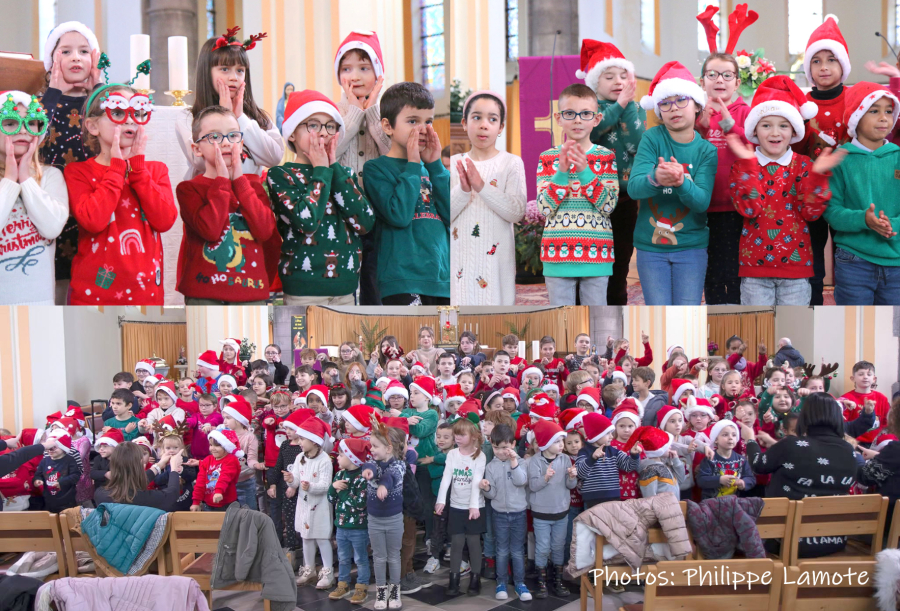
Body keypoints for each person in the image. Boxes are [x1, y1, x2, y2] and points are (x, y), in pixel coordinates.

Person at [727, 76, 842, 305]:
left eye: (783, 125)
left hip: (796, 271)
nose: (775, 133)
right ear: (755, 130)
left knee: (792, 326)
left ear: (794, 130)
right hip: (754, 271)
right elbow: (749, 209)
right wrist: (749, 166)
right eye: (766, 125)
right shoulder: (743, 165)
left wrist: (818, 175)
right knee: (758, 328)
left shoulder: (804, 165)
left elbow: (811, 212)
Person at [65, 81, 177, 305]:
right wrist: (116, 169)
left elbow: (164, 221)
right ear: (93, 126)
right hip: (93, 297)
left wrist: (138, 170)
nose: (129, 119)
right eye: (117, 112)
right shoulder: (78, 172)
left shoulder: (155, 170)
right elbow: (93, 221)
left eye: (136, 112)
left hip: (146, 295)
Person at [268, 90, 375, 305]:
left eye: (330, 126)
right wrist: (321, 170)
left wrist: (333, 167)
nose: (323, 133)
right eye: (313, 125)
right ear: (291, 134)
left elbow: (365, 223)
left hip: (346, 289)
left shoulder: (346, 174)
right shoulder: (281, 175)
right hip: (302, 290)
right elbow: (306, 221)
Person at [628, 61, 717, 305]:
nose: (673, 108)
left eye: (681, 100)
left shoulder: (706, 150)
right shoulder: (651, 138)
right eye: (665, 103)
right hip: (650, 247)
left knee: (687, 311)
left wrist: (681, 182)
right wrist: (656, 177)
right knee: (657, 311)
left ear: (697, 104)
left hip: (691, 247)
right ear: (658, 110)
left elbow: (701, 202)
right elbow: (635, 188)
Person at [176, 105, 276, 304]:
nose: (225, 143)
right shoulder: (188, 189)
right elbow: (211, 231)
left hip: (250, 294)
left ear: (241, 144)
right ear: (197, 149)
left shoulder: (253, 188)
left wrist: (239, 180)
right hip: (204, 294)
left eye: (232, 136)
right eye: (214, 137)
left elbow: (264, 231)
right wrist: (222, 181)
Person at [363, 82, 450, 305]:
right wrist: (413, 164)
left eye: (428, 121)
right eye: (412, 121)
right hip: (402, 279)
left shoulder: (432, 169)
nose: (422, 129)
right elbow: (399, 215)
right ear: (388, 126)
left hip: (440, 277)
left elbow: (453, 215)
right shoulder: (377, 169)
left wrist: (436, 167)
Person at [742, 393, 861, 557]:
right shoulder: (849, 450)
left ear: (805, 418)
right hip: (833, 541)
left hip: (784, 540)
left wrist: (750, 439)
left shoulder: (792, 444)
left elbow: (757, 464)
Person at [536, 83, 618, 305]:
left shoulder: (606, 157)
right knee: (560, 316)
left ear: (596, 119)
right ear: (558, 118)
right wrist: (561, 172)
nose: (578, 120)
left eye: (585, 114)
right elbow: (544, 207)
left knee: (595, 314)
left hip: (596, 253)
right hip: (557, 254)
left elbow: (609, 206)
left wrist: (584, 171)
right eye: (570, 113)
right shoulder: (547, 158)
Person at [695, 6, 755, 305]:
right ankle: (716, 310)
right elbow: (688, 147)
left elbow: (752, 144)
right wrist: (703, 124)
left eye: (727, 74)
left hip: (737, 205)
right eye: (713, 74)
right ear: (703, 80)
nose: (720, 79)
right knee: (711, 272)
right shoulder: (695, 113)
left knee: (736, 270)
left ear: (737, 80)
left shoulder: (746, 112)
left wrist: (730, 124)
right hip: (704, 205)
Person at [39, 21, 102, 303]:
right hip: (51, 198)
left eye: (84, 51)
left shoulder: (98, 103)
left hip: (90, 197)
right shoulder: (42, 103)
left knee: (87, 268)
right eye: (66, 51)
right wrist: (53, 91)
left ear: (94, 60)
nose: (76, 57)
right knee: (55, 278)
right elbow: (34, 133)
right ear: (52, 61)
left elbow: (114, 123)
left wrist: (99, 87)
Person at [822, 82, 900, 304]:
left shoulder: (898, 156)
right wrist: (863, 219)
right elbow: (832, 211)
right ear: (856, 117)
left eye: (888, 111)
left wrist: (891, 224)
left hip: (896, 261)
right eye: (874, 111)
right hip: (854, 261)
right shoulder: (840, 159)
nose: (884, 117)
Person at [793, 15, 852, 305]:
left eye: (831, 59)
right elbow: (795, 147)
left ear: (843, 65)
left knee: (847, 258)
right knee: (812, 257)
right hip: (810, 193)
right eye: (816, 61)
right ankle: (813, 302)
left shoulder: (857, 100)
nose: (824, 66)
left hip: (846, 194)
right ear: (809, 69)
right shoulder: (801, 105)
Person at [176, 26, 284, 181]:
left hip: (249, 196)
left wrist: (239, 117)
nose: (234, 77)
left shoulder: (258, 116)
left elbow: (274, 158)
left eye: (240, 70)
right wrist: (225, 117)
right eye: (225, 69)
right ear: (207, 72)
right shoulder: (187, 117)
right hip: (209, 196)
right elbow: (199, 161)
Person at [582, 40, 645, 306]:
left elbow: (636, 143)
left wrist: (627, 105)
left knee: (621, 254)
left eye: (623, 75)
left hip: (626, 195)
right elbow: (593, 131)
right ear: (596, 82)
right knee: (595, 256)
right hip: (593, 194)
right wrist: (618, 105)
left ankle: (617, 299)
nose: (617, 81)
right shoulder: (589, 108)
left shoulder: (635, 107)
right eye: (609, 76)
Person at [451, 91, 526, 305]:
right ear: (464, 123)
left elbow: (516, 211)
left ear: (501, 127)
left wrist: (481, 187)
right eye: (477, 117)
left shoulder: (511, 163)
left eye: (492, 119)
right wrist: (464, 190)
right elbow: (444, 214)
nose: (484, 125)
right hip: (461, 261)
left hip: (496, 262)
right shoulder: (455, 163)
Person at [334, 31, 390, 305]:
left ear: (378, 74)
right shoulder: (332, 113)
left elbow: (391, 153)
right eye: (346, 69)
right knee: (346, 287)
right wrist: (354, 116)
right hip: (341, 218)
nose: (354, 76)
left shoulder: (386, 115)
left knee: (373, 285)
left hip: (378, 219)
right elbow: (329, 152)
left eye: (363, 68)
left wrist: (372, 112)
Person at [0, 91, 69, 304]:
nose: (22, 129)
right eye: (11, 122)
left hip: (40, 301)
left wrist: (25, 179)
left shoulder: (51, 176)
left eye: (31, 122)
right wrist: (10, 181)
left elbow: (51, 228)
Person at [436, 415, 486, 596]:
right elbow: (447, 477)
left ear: (473, 436)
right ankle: (454, 579)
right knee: (456, 543)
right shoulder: (452, 454)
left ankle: (475, 579)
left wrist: (474, 506)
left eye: (461, 435)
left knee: (473, 543)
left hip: (474, 506)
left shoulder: (480, 456)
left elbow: (476, 482)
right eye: (456, 434)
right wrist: (441, 500)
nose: (457, 438)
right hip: (456, 506)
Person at [527, 420, 577, 599]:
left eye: (562, 441)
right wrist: (545, 478)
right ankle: (541, 581)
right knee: (542, 548)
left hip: (561, 512)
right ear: (546, 443)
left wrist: (572, 477)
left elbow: (571, 485)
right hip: (541, 513)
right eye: (557, 441)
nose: (562, 445)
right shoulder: (535, 461)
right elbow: (533, 486)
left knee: (558, 546)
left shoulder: (565, 459)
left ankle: (557, 579)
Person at [482, 423, 532, 601]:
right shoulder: (491, 467)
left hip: (518, 513)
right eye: (496, 447)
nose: (500, 451)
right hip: (499, 514)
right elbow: (492, 494)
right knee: (501, 550)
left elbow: (521, 481)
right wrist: (486, 488)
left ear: (512, 444)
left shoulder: (522, 462)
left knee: (517, 551)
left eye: (504, 447)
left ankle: (520, 583)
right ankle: (501, 582)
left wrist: (513, 462)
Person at [361, 421, 406, 610]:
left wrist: (383, 486)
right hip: (375, 520)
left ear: (388, 448)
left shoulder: (400, 465)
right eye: (371, 446)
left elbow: (391, 476)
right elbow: (368, 465)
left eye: (375, 446)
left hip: (394, 519)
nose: (371, 449)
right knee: (379, 557)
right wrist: (367, 470)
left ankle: (394, 591)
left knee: (394, 556)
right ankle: (381, 591)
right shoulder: (374, 465)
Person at [286, 417, 334, 589]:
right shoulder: (300, 457)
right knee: (306, 538)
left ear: (314, 441)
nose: (299, 442)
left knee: (321, 538)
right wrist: (291, 480)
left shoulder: (325, 460)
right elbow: (296, 481)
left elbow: (325, 485)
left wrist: (310, 486)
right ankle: (309, 569)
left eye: (302, 439)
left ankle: (327, 572)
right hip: (304, 504)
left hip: (320, 505)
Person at [328, 438, 372, 603]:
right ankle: (343, 584)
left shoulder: (363, 477)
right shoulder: (339, 474)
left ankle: (362, 586)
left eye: (340, 454)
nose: (337, 458)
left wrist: (342, 492)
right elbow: (330, 498)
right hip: (341, 526)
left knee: (360, 558)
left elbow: (360, 504)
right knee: (343, 557)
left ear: (352, 457)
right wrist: (333, 487)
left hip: (359, 527)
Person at [94, 441, 184, 511]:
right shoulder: (142, 497)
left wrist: (159, 465)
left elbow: (132, 481)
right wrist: (174, 468)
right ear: (140, 464)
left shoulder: (100, 493)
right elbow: (172, 493)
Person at [696, 419, 755, 498]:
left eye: (734, 435)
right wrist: (719, 480)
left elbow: (751, 478)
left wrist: (743, 482)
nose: (730, 438)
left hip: (735, 504)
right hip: (712, 505)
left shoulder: (741, 460)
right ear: (716, 439)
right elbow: (701, 480)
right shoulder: (710, 459)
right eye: (725, 435)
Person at [191, 427, 242, 512]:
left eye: (217, 445)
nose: (212, 448)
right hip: (208, 504)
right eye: (211, 445)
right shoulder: (207, 460)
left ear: (226, 446)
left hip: (227, 504)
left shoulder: (231, 460)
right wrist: (196, 501)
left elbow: (225, 477)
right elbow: (200, 481)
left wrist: (218, 491)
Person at [34, 431, 81, 513]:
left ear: (63, 448)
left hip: (67, 498)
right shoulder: (44, 461)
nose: (50, 450)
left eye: (54, 448)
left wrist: (61, 482)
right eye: (49, 448)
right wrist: (38, 480)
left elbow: (76, 475)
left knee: (67, 519)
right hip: (49, 498)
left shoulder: (69, 460)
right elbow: (38, 474)